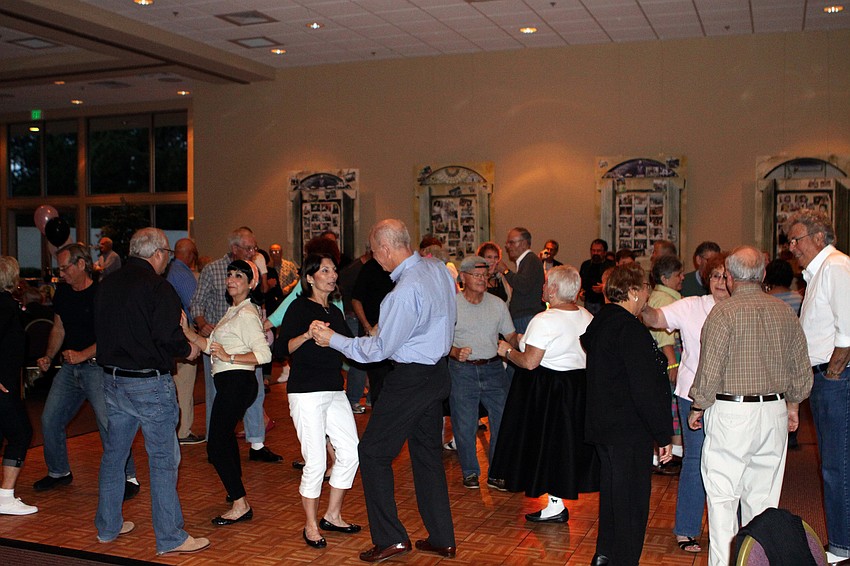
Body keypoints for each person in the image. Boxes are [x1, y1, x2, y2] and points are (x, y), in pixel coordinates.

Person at [312, 219, 457, 562]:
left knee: (373, 453)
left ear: (387, 248)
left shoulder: (404, 290)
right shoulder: (437, 268)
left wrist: (333, 339)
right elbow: (437, 321)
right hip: (437, 374)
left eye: (376, 252)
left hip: (411, 379)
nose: (376, 259)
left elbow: (378, 351)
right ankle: (442, 537)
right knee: (426, 457)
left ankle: (391, 538)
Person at [688, 246, 811, 566]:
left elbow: (710, 368)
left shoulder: (723, 313)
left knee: (722, 498)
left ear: (729, 277)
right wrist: (794, 406)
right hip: (774, 411)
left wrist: (698, 406)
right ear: (764, 275)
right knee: (763, 501)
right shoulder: (784, 311)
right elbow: (801, 369)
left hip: (731, 413)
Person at [94, 228, 209, 555]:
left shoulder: (107, 284)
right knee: (162, 460)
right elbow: (167, 336)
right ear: (158, 254)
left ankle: (107, 527)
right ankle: (171, 537)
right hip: (148, 384)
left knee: (114, 456)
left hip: (113, 381)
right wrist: (187, 350)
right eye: (167, 256)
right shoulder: (159, 288)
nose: (167, 262)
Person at [580, 264, 673, 566]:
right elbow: (644, 388)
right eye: (646, 287)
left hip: (606, 427)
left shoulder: (603, 322)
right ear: (633, 291)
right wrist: (663, 434)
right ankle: (623, 560)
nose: (648, 293)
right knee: (631, 503)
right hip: (628, 429)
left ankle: (605, 555)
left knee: (613, 497)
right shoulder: (628, 329)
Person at [492, 265, 599, 522]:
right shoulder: (587, 316)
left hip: (551, 391)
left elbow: (530, 362)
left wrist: (506, 351)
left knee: (548, 447)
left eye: (545, 283)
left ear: (553, 288)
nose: (542, 287)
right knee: (565, 446)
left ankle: (555, 505)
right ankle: (555, 503)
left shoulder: (544, 319)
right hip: (579, 388)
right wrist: (520, 339)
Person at [641, 252, 731, 554]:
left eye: (725, 275)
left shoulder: (740, 308)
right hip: (693, 394)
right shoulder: (693, 305)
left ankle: (735, 531)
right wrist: (639, 299)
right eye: (715, 275)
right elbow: (656, 318)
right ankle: (687, 530)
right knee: (695, 461)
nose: (720, 281)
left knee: (730, 462)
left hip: (733, 399)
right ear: (707, 278)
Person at [34, 243, 139, 499]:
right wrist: (48, 355)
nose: (62, 274)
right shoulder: (63, 292)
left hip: (96, 369)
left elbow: (111, 335)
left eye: (65, 268)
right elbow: (59, 328)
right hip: (71, 369)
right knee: (50, 420)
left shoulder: (102, 294)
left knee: (109, 423)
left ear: (81, 264)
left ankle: (128, 477)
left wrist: (83, 354)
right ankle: (59, 472)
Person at [181, 259, 270, 526]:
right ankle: (235, 494)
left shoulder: (246, 314)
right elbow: (210, 346)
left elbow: (264, 355)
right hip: (230, 382)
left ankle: (241, 503)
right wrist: (186, 331)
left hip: (238, 382)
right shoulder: (233, 311)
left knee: (216, 444)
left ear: (251, 283)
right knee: (225, 439)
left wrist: (230, 356)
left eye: (239, 276)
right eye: (230, 275)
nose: (231, 279)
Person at [280, 254, 360, 548]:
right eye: (325, 270)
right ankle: (311, 525)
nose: (332, 274)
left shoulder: (336, 312)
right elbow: (281, 348)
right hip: (305, 392)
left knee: (350, 452)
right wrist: (306, 334)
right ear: (310, 278)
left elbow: (351, 347)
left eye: (334, 270)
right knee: (315, 461)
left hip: (334, 390)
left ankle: (333, 515)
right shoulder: (299, 307)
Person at [786, 211, 850, 565]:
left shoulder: (836, 267)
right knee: (834, 465)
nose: (791, 247)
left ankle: (842, 546)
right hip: (829, 379)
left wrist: (834, 373)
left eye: (796, 240)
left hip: (837, 379)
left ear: (820, 237)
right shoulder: (819, 273)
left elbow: (849, 328)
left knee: (837, 466)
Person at [191, 227, 281, 463]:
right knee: (216, 396)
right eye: (249, 247)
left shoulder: (253, 268)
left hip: (247, 344)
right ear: (234, 248)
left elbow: (259, 298)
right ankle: (217, 443)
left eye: (254, 246)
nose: (253, 251)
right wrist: (202, 324)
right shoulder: (212, 270)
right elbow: (197, 303)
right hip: (218, 344)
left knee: (256, 392)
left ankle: (257, 444)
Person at [449, 255, 517, 490]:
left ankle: (496, 472)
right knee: (465, 422)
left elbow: (511, 336)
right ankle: (470, 471)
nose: (481, 280)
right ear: (463, 277)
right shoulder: (452, 305)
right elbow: (439, 339)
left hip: (493, 369)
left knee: (502, 419)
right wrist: (454, 351)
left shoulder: (497, 304)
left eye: (485, 276)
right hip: (462, 371)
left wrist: (530, 341)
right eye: (476, 275)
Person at [0, 256, 37, 516]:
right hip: (3, 385)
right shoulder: (4, 305)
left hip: (6, 382)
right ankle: (5, 496)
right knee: (21, 433)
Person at [647, 254, 685, 474]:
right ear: (664, 277)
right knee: (670, 404)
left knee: (673, 403)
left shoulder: (669, 296)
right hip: (670, 355)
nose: (682, 278)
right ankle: (666, 457)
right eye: (678, 275)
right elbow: (664, 336)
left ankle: (674, 454)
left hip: (671, 354)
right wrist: (672, 362)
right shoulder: (663, 299)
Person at [166, 238, 203, 444]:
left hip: (172, 334)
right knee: (185, 383)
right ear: (189, 254)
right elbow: (194, 305)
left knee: (177, 382)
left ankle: (177, 430)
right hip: (184, 333)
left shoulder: (171, 271)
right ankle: (183, 431)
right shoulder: (183, 274)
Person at [497, 227, 545, 333]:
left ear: (523, 243)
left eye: (511, 242)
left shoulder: (531, 260)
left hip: (526, 317)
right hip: (524, 316)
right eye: (507, 243)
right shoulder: (527, 261)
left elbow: (523, 285)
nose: (507, 246)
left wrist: (505, 271)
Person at [579, 238, 614, 315]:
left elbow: (615, 284)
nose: (595, 253)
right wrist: (581, 292)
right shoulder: (586, 265)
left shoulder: (611, 266)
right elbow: (581, 281)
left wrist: (603, 288)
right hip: (588, 301)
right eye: (593, 250)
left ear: (604, 252)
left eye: (598, 251)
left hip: (604, 302)